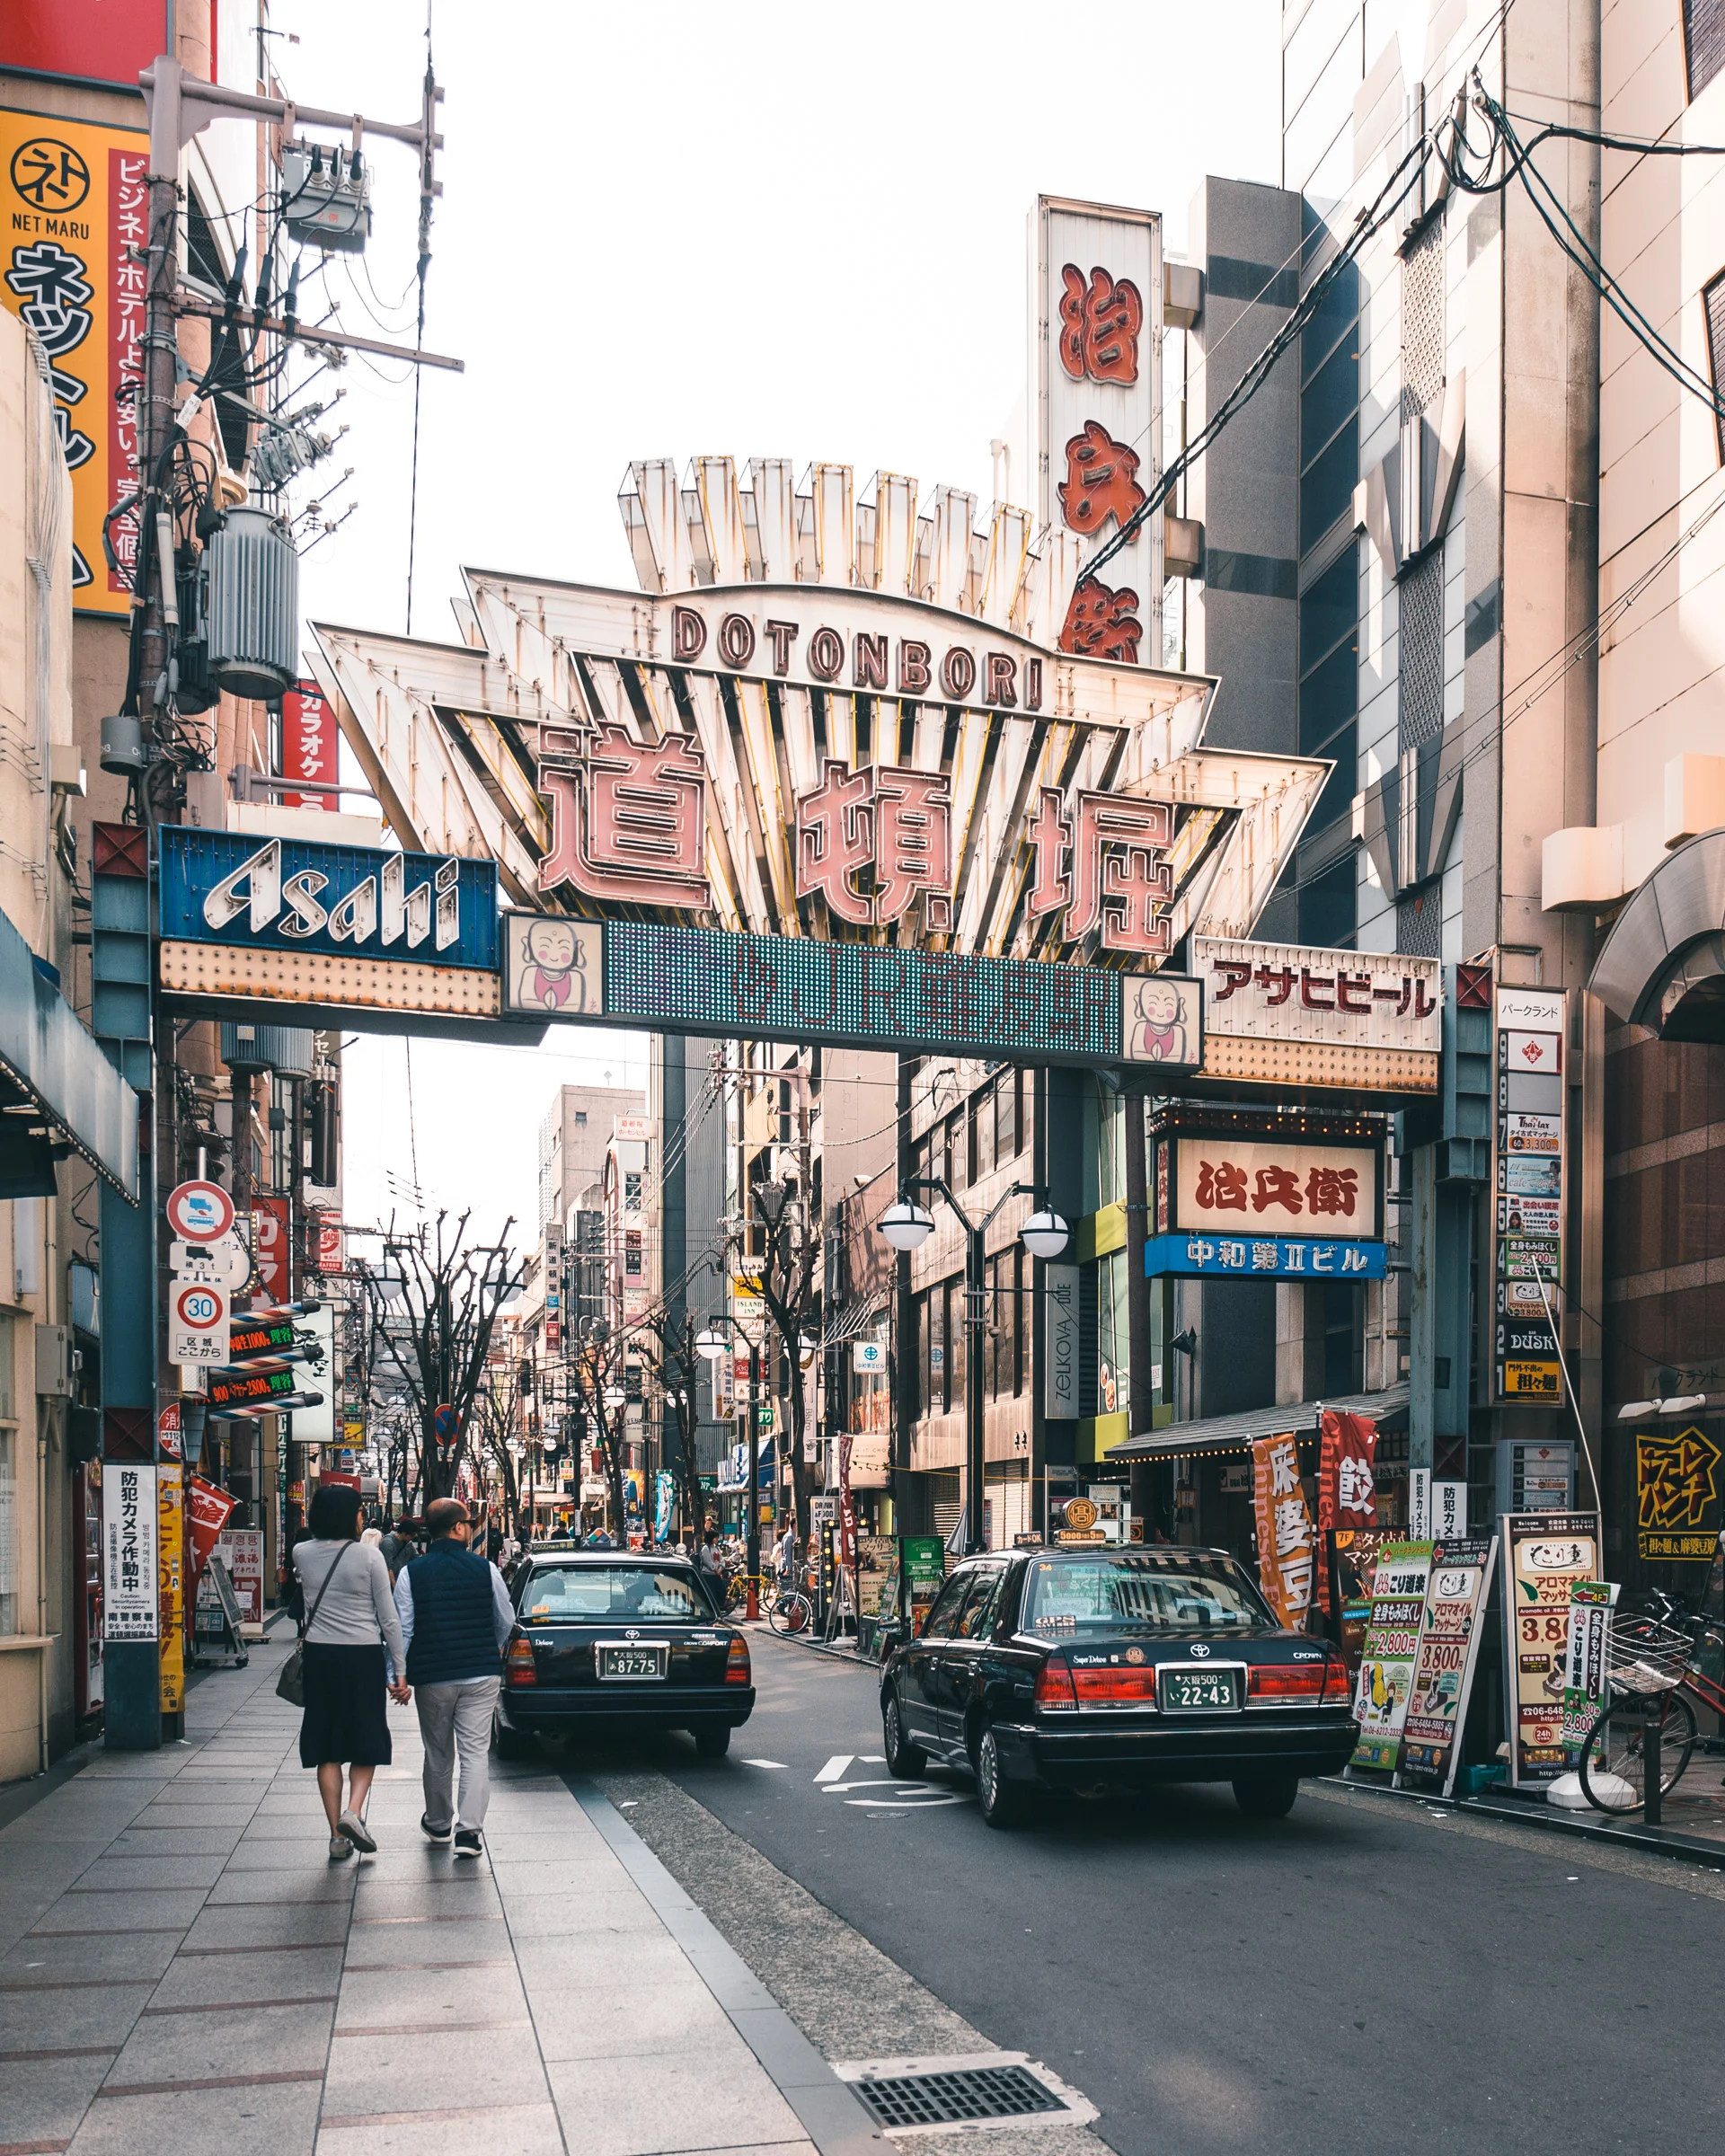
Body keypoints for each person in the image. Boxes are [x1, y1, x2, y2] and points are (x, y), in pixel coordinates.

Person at [293, 1481, 409, 1863]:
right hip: (362, 1657)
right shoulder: (369, 1558)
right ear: (348, 1515)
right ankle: (353, 1813)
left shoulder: (301, 1552)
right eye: (360, 1511)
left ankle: (335, 1838)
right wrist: (399, 1671)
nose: (363, 1517)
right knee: (367, 1736)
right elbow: (389, 1618)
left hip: (320, 1657)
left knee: (326, 1744)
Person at [394, 1497, 516, 1860]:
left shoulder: (411, 1573)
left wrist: (397, 1674)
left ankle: (438, 1822)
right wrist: (488, 1648)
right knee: (476, 1753)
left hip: (432, 1675)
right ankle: (469, 1834)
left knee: (437, 1753)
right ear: (459, 1528)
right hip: (480, 1672)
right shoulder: (486, 1569)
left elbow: (403, 1629)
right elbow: (505, 1619)